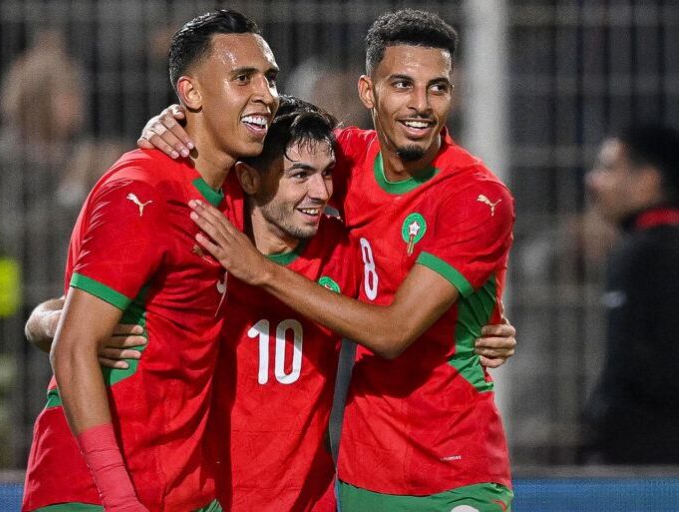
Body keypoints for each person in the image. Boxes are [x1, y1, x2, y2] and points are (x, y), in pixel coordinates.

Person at [29, 96, 517, 511]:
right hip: (210, 498)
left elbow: (401, 314)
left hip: (307, 501)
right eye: (299, 174)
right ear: (249, 179)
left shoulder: (344, 253)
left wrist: (486, 327)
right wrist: (48, 323)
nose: (320, 193)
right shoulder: (208, 237)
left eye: (327, 174)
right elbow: (76, 312)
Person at [142, 9, 515, 510]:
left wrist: (261, 272)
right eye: (402, 85)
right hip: (366, 473)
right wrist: (179, 120)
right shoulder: (343, 161)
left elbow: (393, 332)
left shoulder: (475, 197)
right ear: (368, 92)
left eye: (438, 88)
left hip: (455, 467)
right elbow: (258, 137)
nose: (420, 105)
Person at [21, 10, 279, 512]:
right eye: (243, 78)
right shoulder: (141, 191)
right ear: (191, 93)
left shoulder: (234, 186)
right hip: (95, 494)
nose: (265, 93)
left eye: (270, 77)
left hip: (182, 485)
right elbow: (73, 348)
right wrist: (120, 500)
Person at [580, 123, 679, 464]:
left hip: (647, 468)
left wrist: (601, 427)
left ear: (647, 180)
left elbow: (633, 370)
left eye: (608, 168)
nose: (593, 181)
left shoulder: (644, 253)